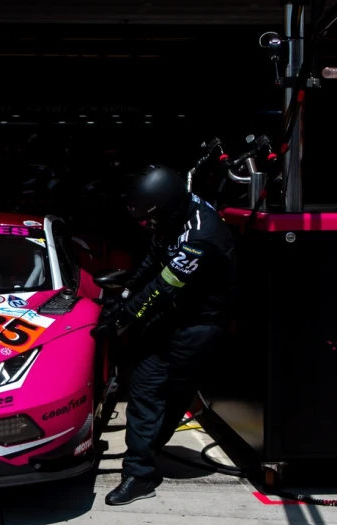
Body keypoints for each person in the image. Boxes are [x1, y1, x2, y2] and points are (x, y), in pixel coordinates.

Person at [99, 165, 236, 506]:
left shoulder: (201, 235)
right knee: (145, 392)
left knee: (172, 400)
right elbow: (154, 258)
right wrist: (128, 293)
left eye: (152, 219)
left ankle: (145, 458)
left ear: (170, 207)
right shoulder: (171, 216)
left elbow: (165, 286)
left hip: (198, 328)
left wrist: (125, 318)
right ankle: (138, 473)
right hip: (169, 318)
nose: (148, 225)